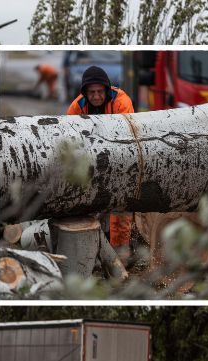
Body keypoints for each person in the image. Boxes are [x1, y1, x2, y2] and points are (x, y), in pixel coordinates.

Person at [65, 65, 136, 252]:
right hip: (90, 159)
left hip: (121, 157)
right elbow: (70, 139)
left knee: (120, 200)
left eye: (99, 92)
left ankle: (121, 250)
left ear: (106, 90)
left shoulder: (122, 102)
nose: (96, 96)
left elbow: (126, 137)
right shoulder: (77, 106)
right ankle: (90, 247)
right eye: (92, 92)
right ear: (85, 93)